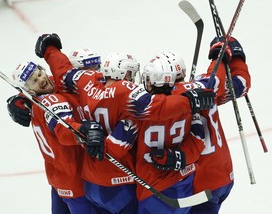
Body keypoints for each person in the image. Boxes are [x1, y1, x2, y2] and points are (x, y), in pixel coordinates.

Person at [33, 33, 215, 213]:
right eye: (131, 74)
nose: (133, 79)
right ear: (125, 73)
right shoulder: (124, 91)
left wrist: (50, 49)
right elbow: (154, 106)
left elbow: (63, 72)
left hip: (89, 183)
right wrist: (189, 101)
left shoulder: (86, 81)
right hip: (119, 183)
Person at [163, 36, 250, 214]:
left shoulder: (169, 99)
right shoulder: (206, 89)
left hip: (201, 186)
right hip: (225, 176)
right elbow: (241, 84)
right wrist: (233, 57)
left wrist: (219, 59)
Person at [8, 61, 106, 214]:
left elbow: (56, 80)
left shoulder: (33, 101)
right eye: (34, 81)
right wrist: (84, 130)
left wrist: (17, 98)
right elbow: (63, 130)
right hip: (76, 180)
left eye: (40, 74)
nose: (41, 79)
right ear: (28, 90)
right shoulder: (51, 101)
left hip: (59, 179)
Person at [134, 52, 207, 214]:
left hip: (151, 187)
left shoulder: (141, 110)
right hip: (184, 183)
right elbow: (199, 139)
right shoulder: (186, 105)